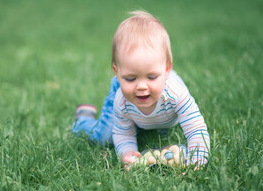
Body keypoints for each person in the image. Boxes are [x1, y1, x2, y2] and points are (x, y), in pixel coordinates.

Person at [72, 10, 210, 167]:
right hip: (125, 96)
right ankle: (83, 118)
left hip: (155, 104)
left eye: (151, 77)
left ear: (166, 70)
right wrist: (128, 152)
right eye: (131, 78)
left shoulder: (175, 94)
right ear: (117, 72)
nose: (142, 86)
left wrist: (198, 161)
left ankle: (149, 119)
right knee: (105, 137)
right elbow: (123, 134)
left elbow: (196, 129)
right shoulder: (122, 99)